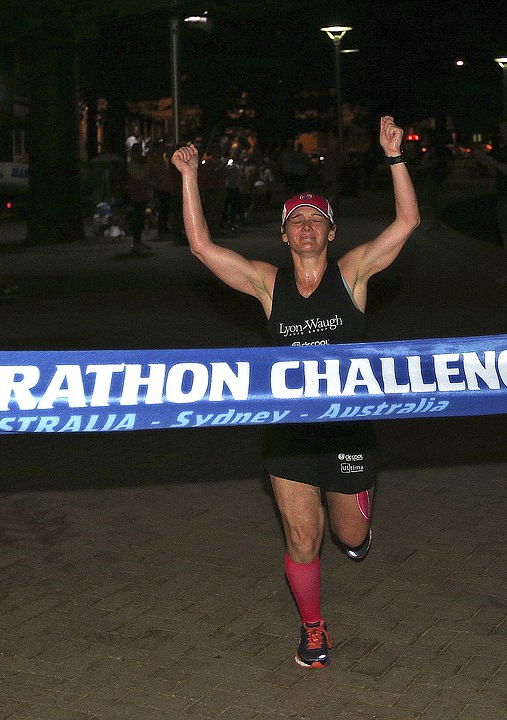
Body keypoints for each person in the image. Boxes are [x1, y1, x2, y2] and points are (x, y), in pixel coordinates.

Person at [171, 116, 420, 668]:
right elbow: (201, 248)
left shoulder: (353, 273)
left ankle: (358, 515)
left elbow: (406, 221)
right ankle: (313, 627)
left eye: (317, 220)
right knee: (304, 540)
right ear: (284, 235)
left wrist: (394, 157)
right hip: (289, 432)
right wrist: (189, 176)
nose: (306, 227)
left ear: (332, 234)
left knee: (350, 537)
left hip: (349, 427)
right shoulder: (268, 283)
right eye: (296, 220)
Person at [476, 120, 507, 283]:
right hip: (503, 194)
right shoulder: (501, 150)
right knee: (506, 233)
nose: (503, 132)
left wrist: (489, 160)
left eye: (506, 128)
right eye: (501, 129)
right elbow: (496, 172)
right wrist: (486, 162)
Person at [125, 142, 153, 256]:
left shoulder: (140, 162)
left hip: (142, 194)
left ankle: (139, 241)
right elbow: (139, 176)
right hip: (136, 195)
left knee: (140, 219)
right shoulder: (132, 164)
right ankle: (136, 242)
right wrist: (147, 166)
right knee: (137, 219)